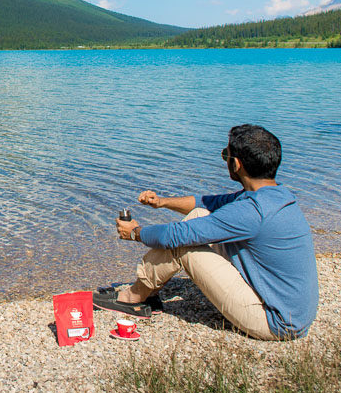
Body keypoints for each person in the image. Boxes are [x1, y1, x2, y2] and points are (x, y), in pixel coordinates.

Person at [93, 124, 318, 340]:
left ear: (236, 164)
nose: (225, 160)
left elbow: (174, 236)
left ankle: (134, 298)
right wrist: (161, 202)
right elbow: (208, 203)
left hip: (276, 321)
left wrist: (135, 232)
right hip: (290, 312)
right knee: (199, 215)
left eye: (225, 155)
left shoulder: (252, 211)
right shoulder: (274, 196)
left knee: (182, 244)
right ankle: (149, 293)